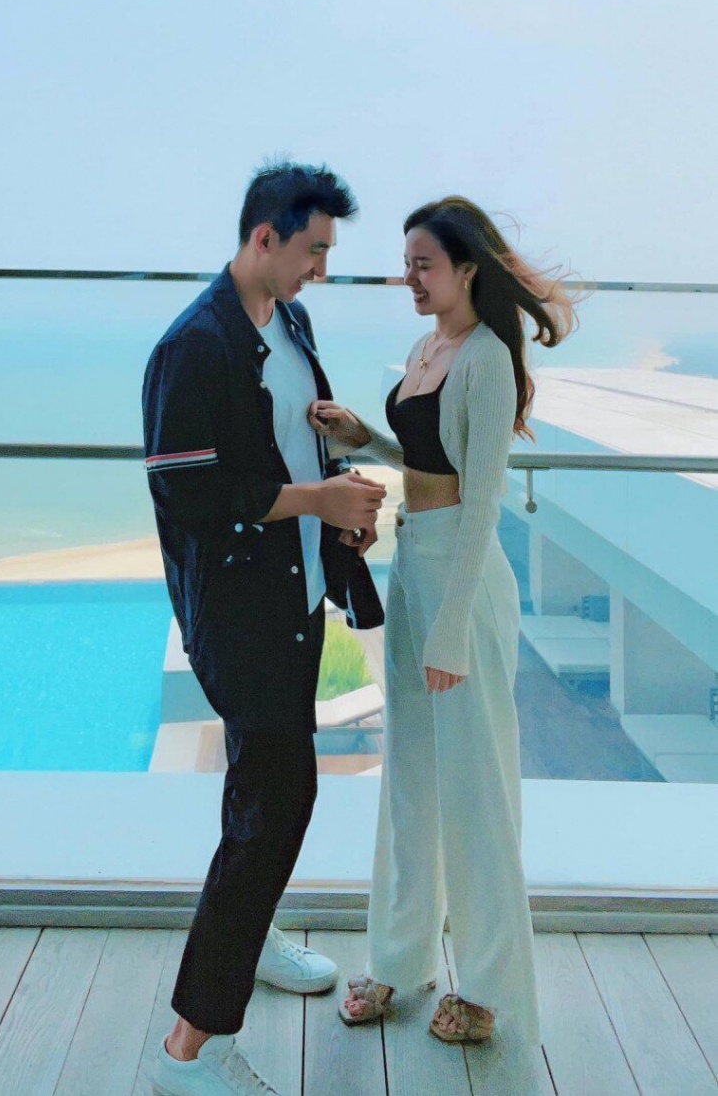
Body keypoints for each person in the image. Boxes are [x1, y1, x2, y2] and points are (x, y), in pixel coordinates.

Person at [309, 195, 576, 1049]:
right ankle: (400, 957)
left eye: (424, 265)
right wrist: (366, 435)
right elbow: (430, 461)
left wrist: (453, 629)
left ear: (467, 269)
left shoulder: (489, 358)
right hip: (414, 566)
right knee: (410, 782)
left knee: (476, 791)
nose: (410, 279)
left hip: (463, 581)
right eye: (406, 265)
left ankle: (489, 989)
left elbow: (483, 499)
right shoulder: (431, 347)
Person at [143, 161, 386, 1096]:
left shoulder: (288, 323)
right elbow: (193, 496)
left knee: (262, 793)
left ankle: (251, 934)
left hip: (297, 599)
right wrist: (314, 499)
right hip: (238, 616)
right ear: (263, 238)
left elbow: (295, 444)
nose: (321, 269)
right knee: (279, 801)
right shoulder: (192, 348)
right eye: (313, 250)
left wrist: (340, 506)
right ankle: (187, 1050)